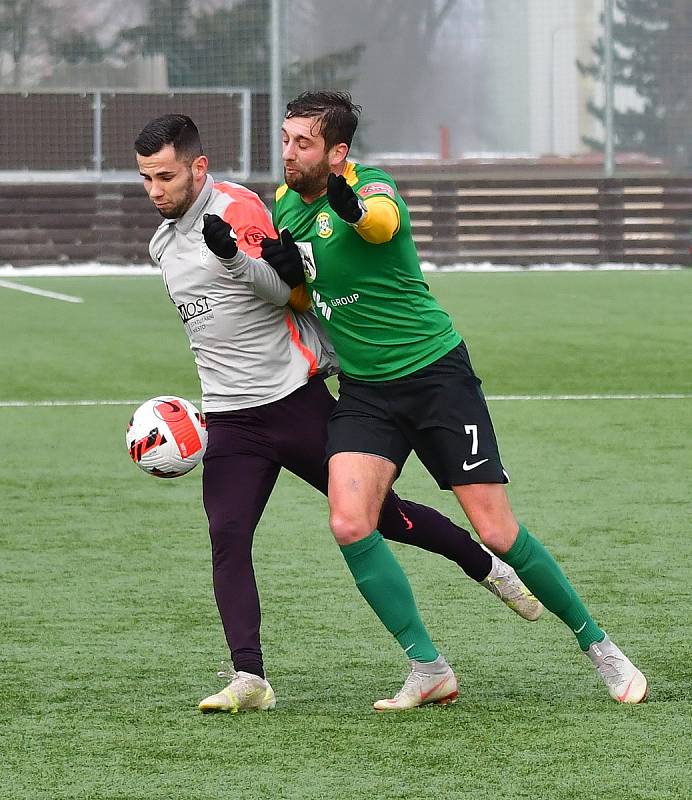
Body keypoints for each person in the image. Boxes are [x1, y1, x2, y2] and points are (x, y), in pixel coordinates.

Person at [134, 114, 542, 714]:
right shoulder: (161, 246)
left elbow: (285, 288)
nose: (154, 191)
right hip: (229, 418)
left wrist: (233, 260)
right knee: (227, 536)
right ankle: (249, 677)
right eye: (145, 179)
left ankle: (484, 564)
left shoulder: (242, 208)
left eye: (164, 176)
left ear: (197, 167)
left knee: (379, 516)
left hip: (291, 402)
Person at [261, 90, 649, 708]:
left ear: (337, 152)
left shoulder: (372, 185)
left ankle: (599, 645)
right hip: (364, 391)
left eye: (302, 142)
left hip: (435, 377)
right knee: (348, 521)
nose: (288, 152)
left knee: (496, 531)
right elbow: (317, 300)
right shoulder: (284, 206)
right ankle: (428, 667)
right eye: (285, 139)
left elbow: (380, 223)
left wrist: (349, 206)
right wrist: (289, 281)